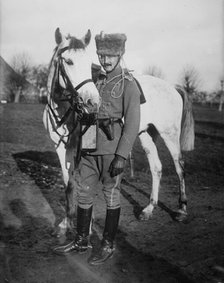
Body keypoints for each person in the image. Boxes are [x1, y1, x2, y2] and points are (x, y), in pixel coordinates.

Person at [53, 31, 141, 265]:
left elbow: (132, 124)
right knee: (84, 192)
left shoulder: (129, 85)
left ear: (120, 54)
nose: (106, 60)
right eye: (102, 55)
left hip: (113, 150)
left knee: (111, 195)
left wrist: (121, 155)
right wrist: (81, 147)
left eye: (111, 56)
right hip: (90, 147)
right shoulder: (95, 81)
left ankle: (108, 244)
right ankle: (82, 240)